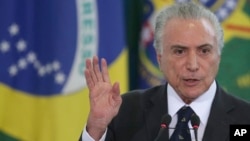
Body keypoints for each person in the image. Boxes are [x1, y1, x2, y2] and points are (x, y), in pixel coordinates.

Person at [79, 2, 250, 141]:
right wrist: (97, 126)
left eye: (204, 51)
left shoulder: (245, 120)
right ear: (160, 58)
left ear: (218, 57)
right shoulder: (125, 112)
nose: (193, 65)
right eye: (179, 51)